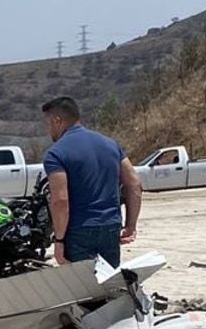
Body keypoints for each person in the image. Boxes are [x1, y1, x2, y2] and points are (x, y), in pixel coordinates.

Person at [40, 95, 142, 266]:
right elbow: (134, 184)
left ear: (57, 121)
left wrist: (59, 241)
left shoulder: (56, 153)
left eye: (48, 124)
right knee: (109, 282)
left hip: (79, 229)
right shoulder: (111, 144)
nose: (48, 130)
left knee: (83, 287)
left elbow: (60, 201)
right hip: (111, 225)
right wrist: (130, 225)